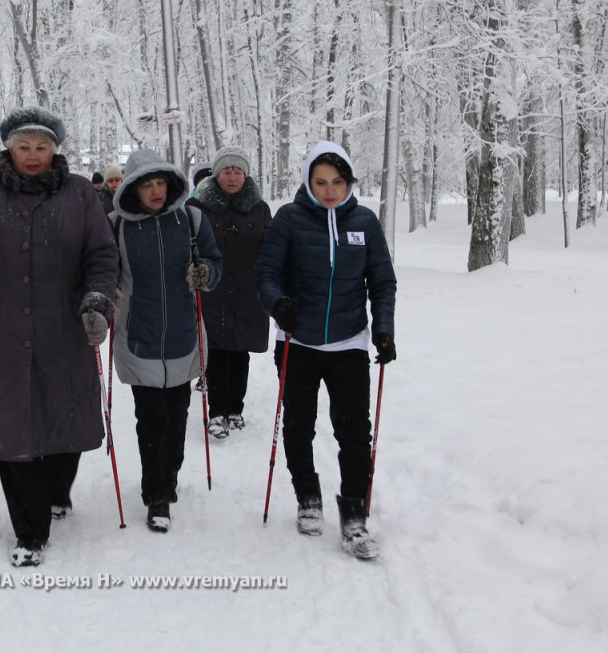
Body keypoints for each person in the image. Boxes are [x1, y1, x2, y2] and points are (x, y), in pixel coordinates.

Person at [0, 106, 118, 568]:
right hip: (0, 332)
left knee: (68, 422)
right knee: (11, 426)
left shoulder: (80, 193)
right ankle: (30, 531)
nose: (33, 155)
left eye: (42, 147)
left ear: (55, 149)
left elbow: (102, 256)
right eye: (24, 147)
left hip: (65, 330)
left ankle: (57, 490)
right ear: (9, 148)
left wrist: (97, 301)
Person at [256, 140, 396, 560]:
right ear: (307, 182)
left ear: (350, 182)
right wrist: (278, 305)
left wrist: (384, 330)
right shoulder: (289, 219)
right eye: (320, 182)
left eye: (338, 182)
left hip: (350, 341)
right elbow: (266, 275)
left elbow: (382, 282)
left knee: (354, 431)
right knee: (298, 425)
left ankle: (354, 515)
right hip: (298, 340)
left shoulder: (366, 222)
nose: (329, 190)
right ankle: (308, 498)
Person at [110, 149, 222, 533]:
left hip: (183, 336)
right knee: (151, 420)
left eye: (160, 183)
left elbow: (214, 262)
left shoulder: (191, 219)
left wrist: (205, 272)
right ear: (132, 189)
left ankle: (168, 477)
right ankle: (156, 495)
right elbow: (102, 272)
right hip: (138, 337)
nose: (155, 191)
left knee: (177, 418)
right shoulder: (116, 226)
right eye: (147, 185)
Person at [186, 145, 272, 439]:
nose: (232, 177)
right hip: (213, 290)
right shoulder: (197, 207)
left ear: (245, 174)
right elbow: (187, 246)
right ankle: (216, 412)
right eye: (227, 171)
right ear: (217, 174)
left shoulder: (259, 208)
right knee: (215, 353)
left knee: (240, 354)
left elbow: (270, 247)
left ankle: (235, 408)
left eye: (237, 171)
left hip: (248, 291)